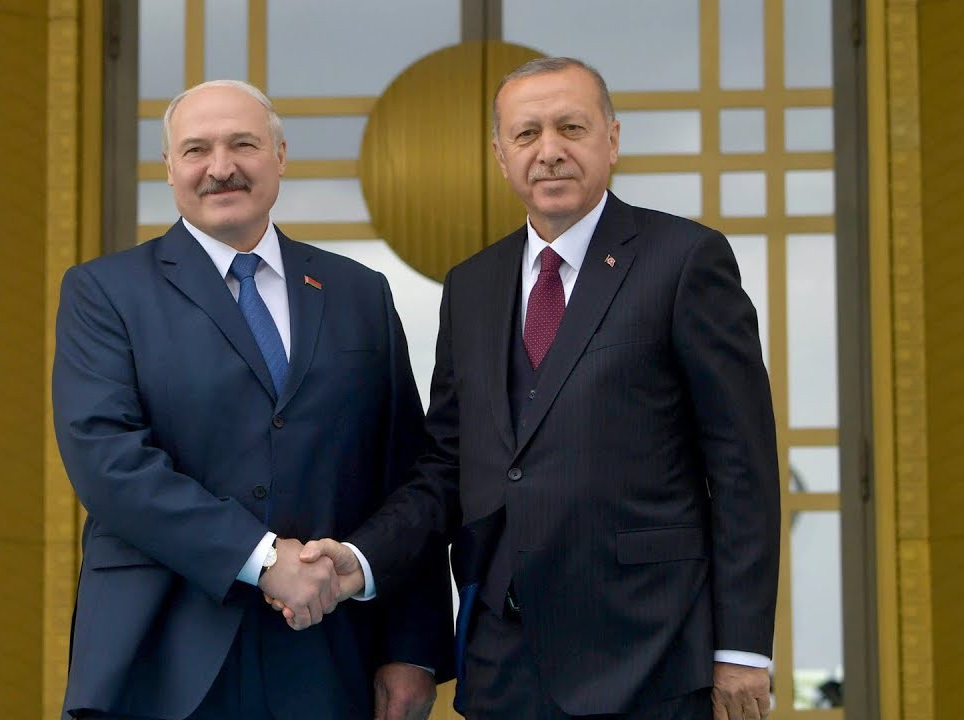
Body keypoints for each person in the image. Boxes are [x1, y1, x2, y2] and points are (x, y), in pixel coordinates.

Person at [282, 57, 781, 720]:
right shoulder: (472, 285)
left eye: (571, 128)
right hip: (506, 665)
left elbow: (742, 464)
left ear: (612, 139)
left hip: (650, 656)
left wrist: (743, 648)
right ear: (500, 155)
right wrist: (362, 558)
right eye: (526, 134)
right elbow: (446, 468)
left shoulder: (686, 260)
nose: (549, 151)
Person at [52, 79, 453, 720]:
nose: (221, 167)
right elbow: (108, 463)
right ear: (169, 167)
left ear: (280, 156)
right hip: (161, 652)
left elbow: (407, 474)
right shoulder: (105, 293)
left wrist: (412, 649)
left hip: (329, 655)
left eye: (243, 144)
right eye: (196, 150)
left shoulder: (360, 293)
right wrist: (262, 559)